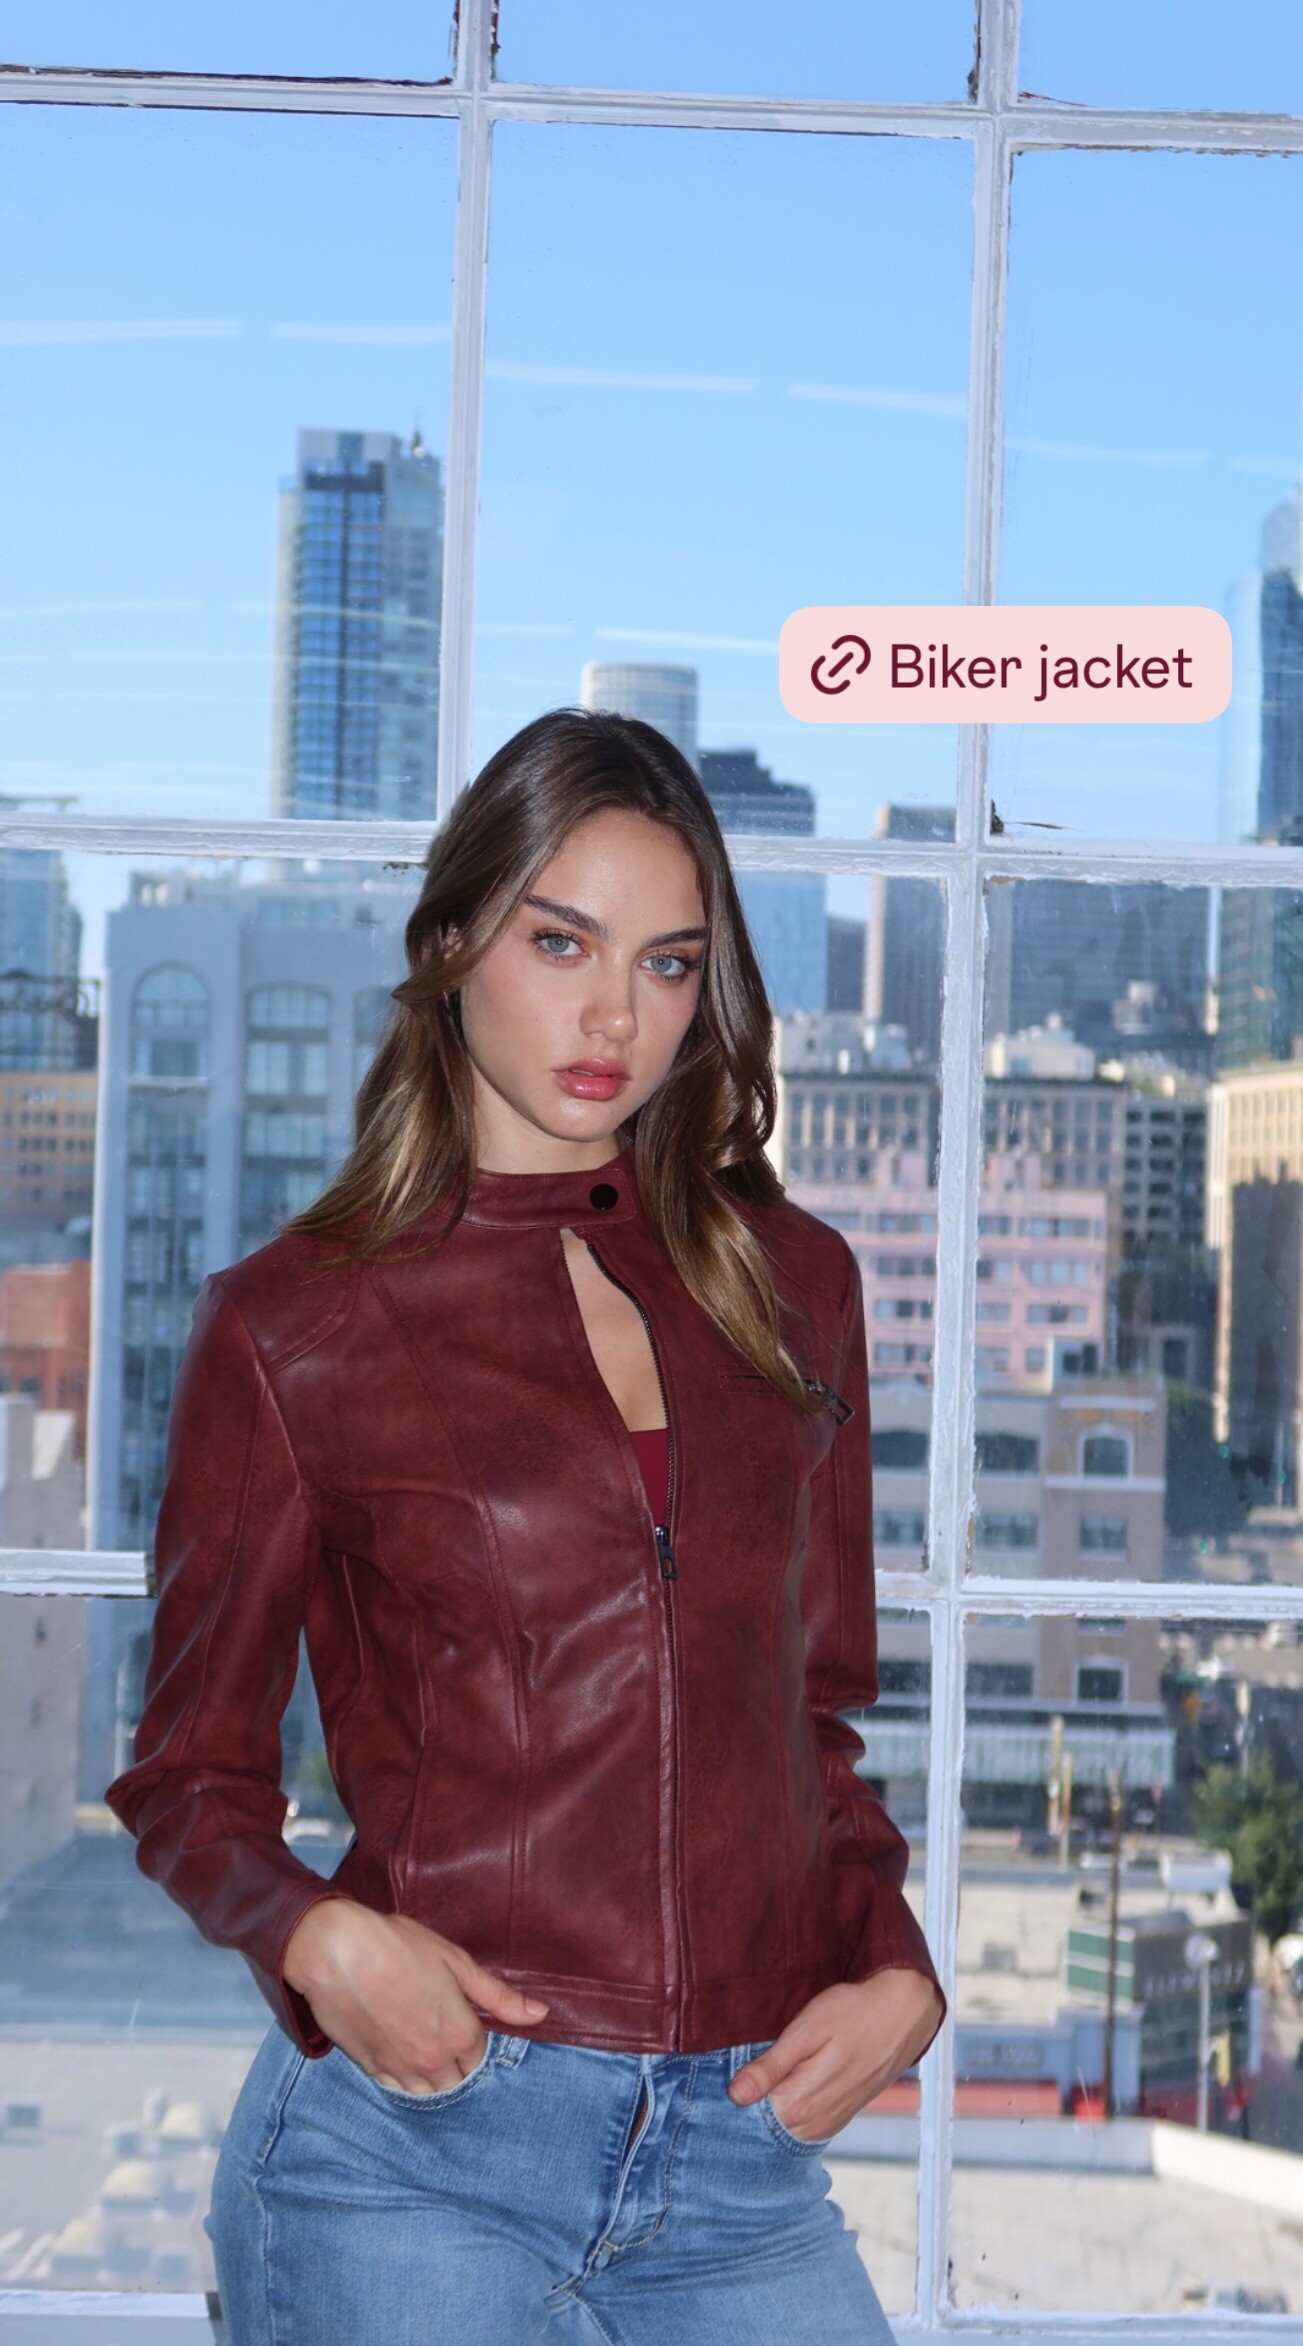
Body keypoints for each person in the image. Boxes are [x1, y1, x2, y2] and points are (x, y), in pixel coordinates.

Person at [105, 707, 946, 2345]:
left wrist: (896, 1964)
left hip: (741, 2154)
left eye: (668, 962)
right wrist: (320, 1937)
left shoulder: (799, 1288)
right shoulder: (291, 1326)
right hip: (416, 2146)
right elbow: (188, 1779)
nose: (615, 1014)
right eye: (561, 941)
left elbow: (811, 1716)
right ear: (451, 944)